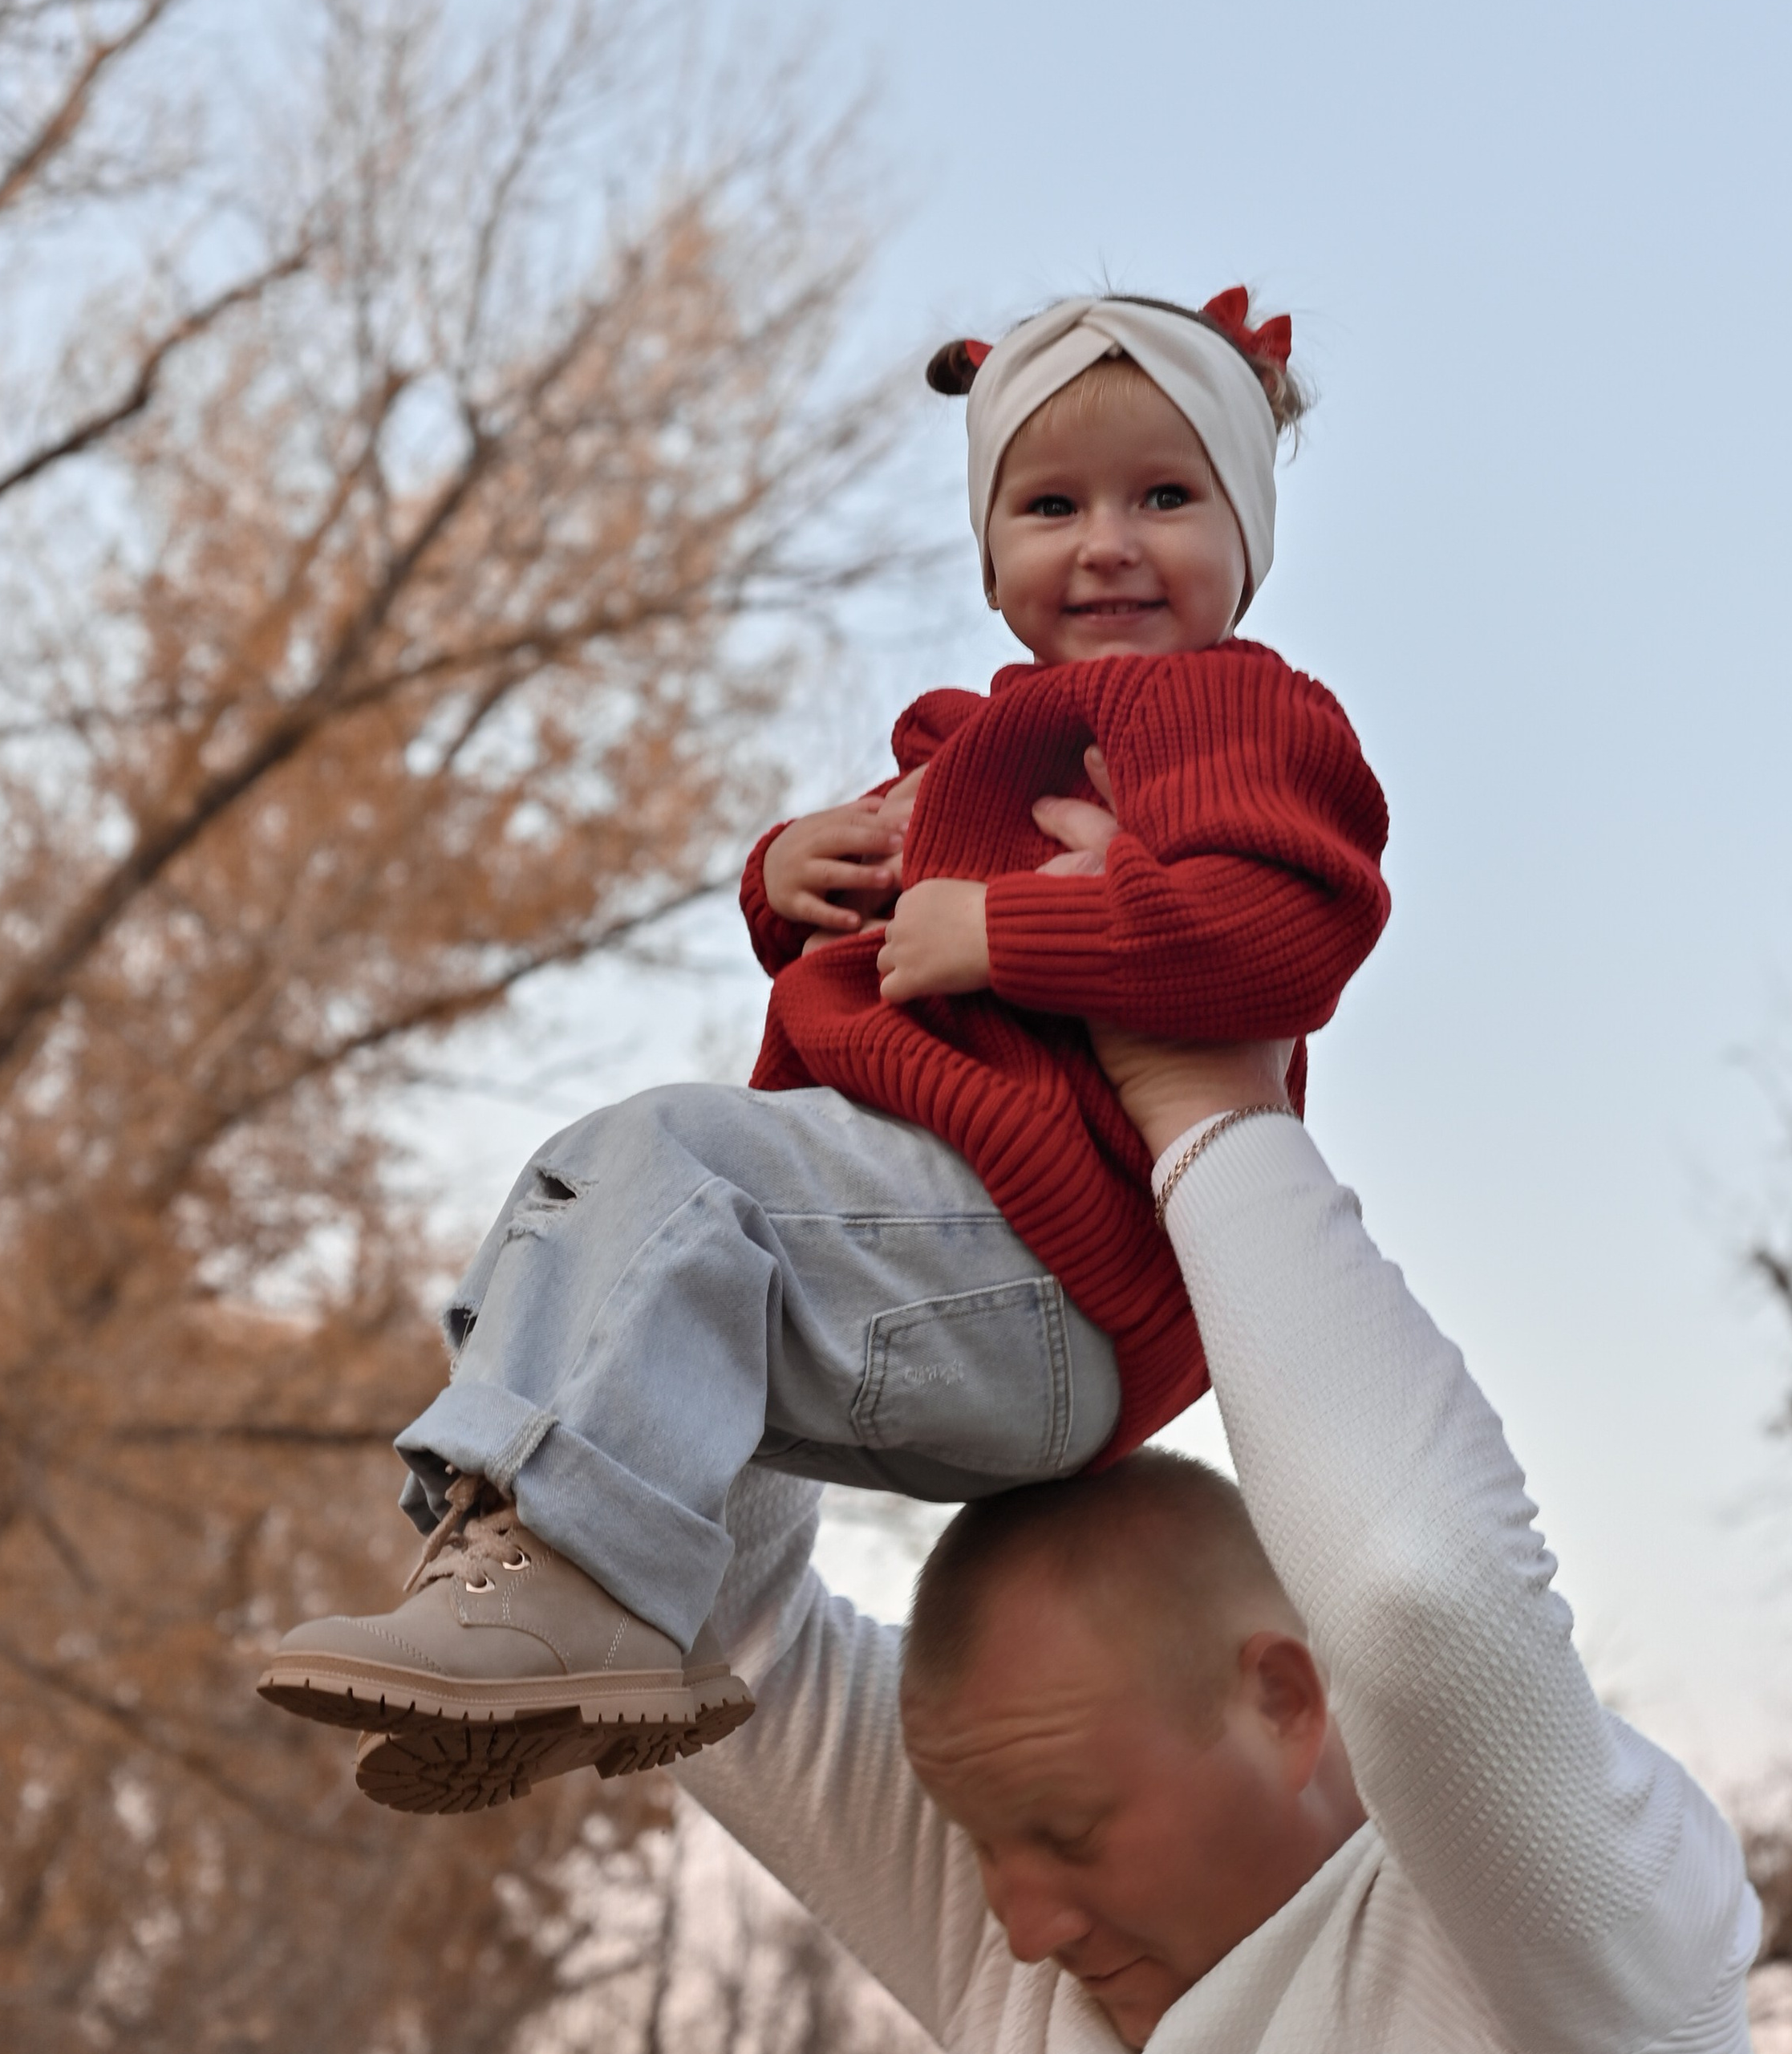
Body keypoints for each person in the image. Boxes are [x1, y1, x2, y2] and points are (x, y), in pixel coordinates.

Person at [258, 290, 1391, 1814]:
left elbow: (1286, 929)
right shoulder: (968, 743)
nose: (1108, 542)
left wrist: (1008, 940)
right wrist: (784, 870)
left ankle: (562, 1576)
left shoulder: (1230, 709)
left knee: (651, 1170)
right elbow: (857, 949)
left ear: (1247, 537)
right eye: (1052, 504)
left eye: (1165, 497)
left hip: (1054, 1270)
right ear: (992, 559)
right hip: (956, 1283)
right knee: (622, 1249)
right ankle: (645, 1617)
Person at [647, 1021, 1762, 2051]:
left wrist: (1211, 1109)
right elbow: (694, 1620)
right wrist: (850, 1044)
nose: (1024, 1927)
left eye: (1072, 1832)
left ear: (1281, 1699)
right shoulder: (1045, 1962)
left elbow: (1413, 1598)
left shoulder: (1565, 1949)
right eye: (984, 1843)